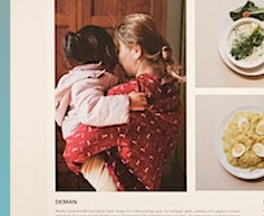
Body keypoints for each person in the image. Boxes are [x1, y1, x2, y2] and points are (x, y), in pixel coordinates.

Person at [62, 13, 184, 191]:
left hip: (123, 183)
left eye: (119, 50)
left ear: (136, 50)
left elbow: (81, 143)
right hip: (150, 181)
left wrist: (70, 157)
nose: (117, 59)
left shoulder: (130, 94)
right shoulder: (170, 89)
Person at [54, 25, 148, 191]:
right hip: (83, 146)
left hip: (93, 142)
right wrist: (127, 102)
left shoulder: (91, 76)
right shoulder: (86, 81)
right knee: (109, 188)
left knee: (114, 179)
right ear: (107, 53)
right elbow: (90, 111)